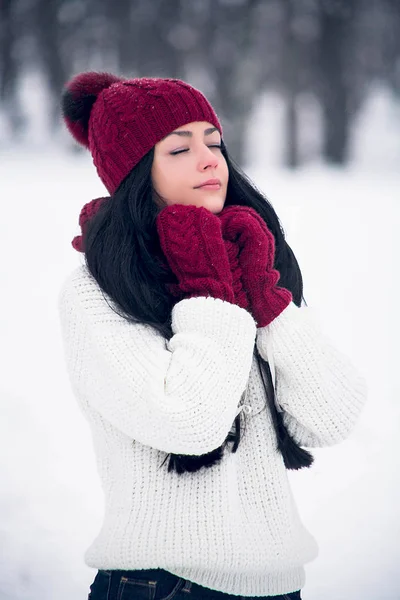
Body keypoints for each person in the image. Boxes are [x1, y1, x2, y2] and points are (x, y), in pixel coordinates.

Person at [58, 71, 367, 600]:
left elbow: (331, 416)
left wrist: (270, 304)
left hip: (279, 587)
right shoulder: (96, 290)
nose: (209, 159)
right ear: (135, 174)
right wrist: (209, 293)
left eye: (214, 142)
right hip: (160, 585)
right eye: (179, 149)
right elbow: (191, 421)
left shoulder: (245, 259)